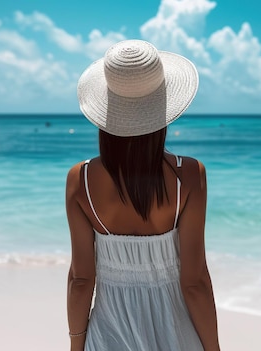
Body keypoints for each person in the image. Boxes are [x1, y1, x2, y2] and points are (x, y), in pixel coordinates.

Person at [65, 40, 220, 351]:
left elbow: (81, 280)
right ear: (162, 108)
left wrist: (76, 345)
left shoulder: (80, 179)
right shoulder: (188, 176)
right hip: (176, 336)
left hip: (108, 337)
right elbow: (195, 283)